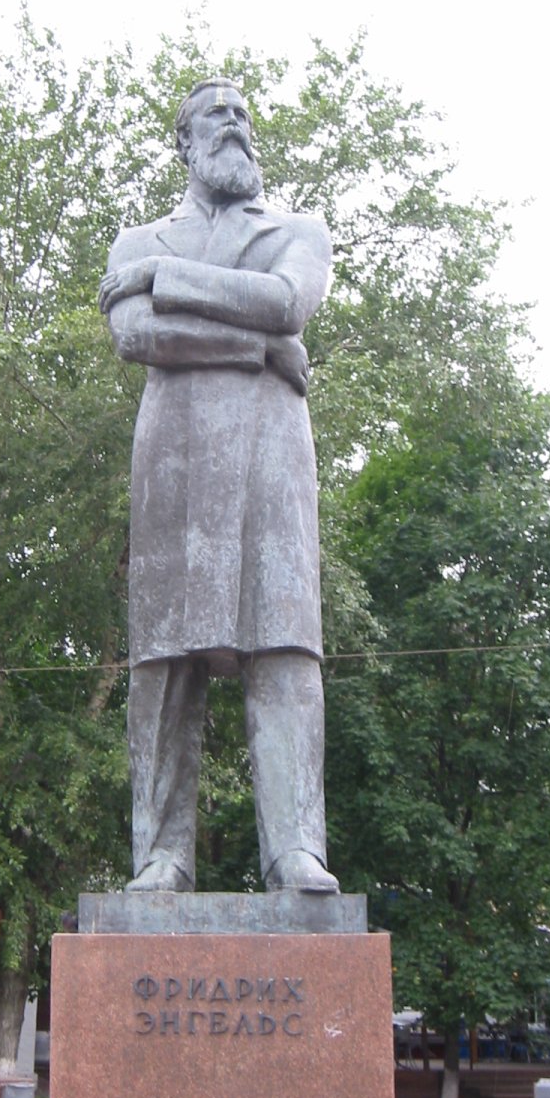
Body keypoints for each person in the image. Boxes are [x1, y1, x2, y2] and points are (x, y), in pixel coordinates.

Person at [99, 77, 339, 894]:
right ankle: (161, 857)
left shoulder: (298, 231)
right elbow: (136, 336)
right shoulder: (135, 238)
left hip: (272, 450)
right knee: (164, 658)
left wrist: (165, 278)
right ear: (185, 140)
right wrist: (256, 348)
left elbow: (287, 303)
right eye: (216, 114)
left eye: (243, 114)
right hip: (174, 453)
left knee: (285, 643)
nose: (234, 124)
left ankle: (295, 850)